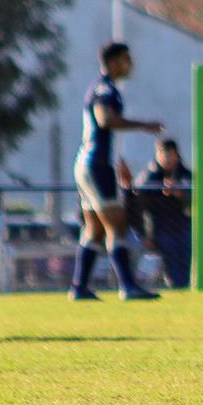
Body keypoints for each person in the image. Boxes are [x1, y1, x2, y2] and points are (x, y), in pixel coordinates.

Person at [69, 42, 165, 301]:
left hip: (88, 163)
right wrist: (144, 125)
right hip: (96, 165)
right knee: (117, 225)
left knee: (95, 230)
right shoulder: (105, 90)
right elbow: (105, 120)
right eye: (126, 60)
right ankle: (128, 286)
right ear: (113, 62)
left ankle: (79, 287)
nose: (130, 65)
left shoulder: (104, 88)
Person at [135, 137, 194, 289]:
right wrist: (146, 234)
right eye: (163, 154)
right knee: (171, 254)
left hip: (183, 225)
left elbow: (193, 203)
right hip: (159, 228)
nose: (166, 158)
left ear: (176, 155)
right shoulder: (149, 177)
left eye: (170, 154)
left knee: (186, 252)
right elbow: (139, 206)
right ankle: (176, 286)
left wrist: (179, 193)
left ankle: (184, 286)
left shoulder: (185, 175)